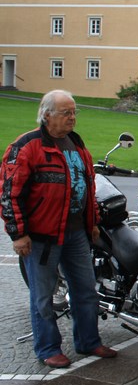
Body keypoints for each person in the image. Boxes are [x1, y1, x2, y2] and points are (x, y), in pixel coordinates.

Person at [1, 90, 117, 369]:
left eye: (74, 112)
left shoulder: (76, 144)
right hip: (42, 237)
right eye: (66, 112)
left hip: (76, 233)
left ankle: (88, 341)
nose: (72, 117)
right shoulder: (27, 147)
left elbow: (87, 187)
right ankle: (48, 348)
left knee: (86, 290)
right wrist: (18, 234)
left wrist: (93, 222)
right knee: (43, 297)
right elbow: (8, 193)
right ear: (47, 114)